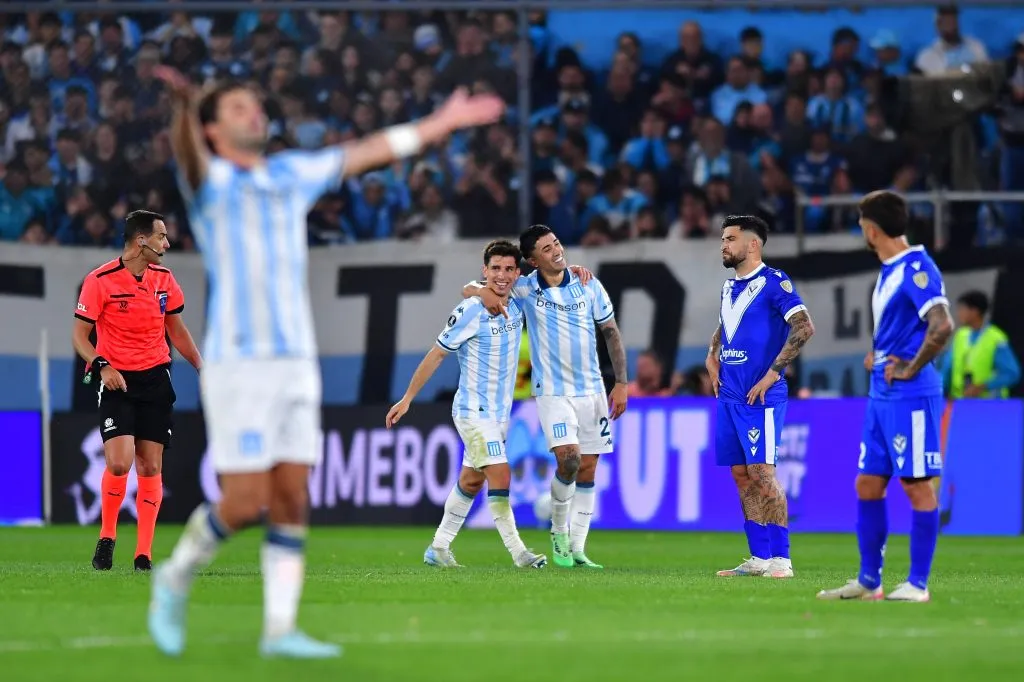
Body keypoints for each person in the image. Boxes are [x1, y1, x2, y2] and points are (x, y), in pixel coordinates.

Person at [148, 65, 504, 659]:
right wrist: (185, 109)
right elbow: (186, 154)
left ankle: (280, 629)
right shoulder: (210, 184)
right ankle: (176, 577)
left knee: (291, 498)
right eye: (236, 109)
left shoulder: (290, 173)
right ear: (212, 130)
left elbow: (367, 151)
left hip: (295, 364)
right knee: (242, 502)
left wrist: (440, 123)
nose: (253, 113)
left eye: (255, 104)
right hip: (240, 363)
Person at [466, 225, 629, 570]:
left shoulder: (587, 283)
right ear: (532, 260)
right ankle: (558, 529)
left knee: (588, 468)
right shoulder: (524, 289)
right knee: (569, 460)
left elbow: (611, 332)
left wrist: (622, 383)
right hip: (553, 393)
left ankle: (578, 547)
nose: (556, 250)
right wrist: (476, 290)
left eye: (556, 243)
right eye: (546, 248)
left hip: (593, 389)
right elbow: (475, 288)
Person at [818, 190, 954, 603]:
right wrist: (877, 355)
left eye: (861, 224)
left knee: (915, 485)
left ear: (872, 228)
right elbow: (905, 328)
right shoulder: (889, 268)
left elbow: (942, 325)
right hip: (882, 393)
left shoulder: (917, 268)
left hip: (909, 394)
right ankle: (868, 581)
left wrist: (911, 367)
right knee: (868, 483)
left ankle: (917, 584)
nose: (862, 231)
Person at [385, 239, 546, 570]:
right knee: (500, 473)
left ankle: (439, 548)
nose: (502, 276)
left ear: (518, 272)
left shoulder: (515, 300)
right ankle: (520, 554)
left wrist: (477, 289)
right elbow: (437, 353)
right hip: (473, 412)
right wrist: (408, 397)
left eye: (509, 269)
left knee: (472, 481)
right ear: (485, 270)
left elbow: (470, 287)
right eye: (495, 269)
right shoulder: (471, 311)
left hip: (499, 414)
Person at [72, 209, 202, 573]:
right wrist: (102, 365)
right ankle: (108, 535)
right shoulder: (100, 280)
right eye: (162, 236)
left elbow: (176, 330)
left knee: (150, 465)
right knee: (119, 461)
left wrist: (201, 366)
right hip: (117, 381)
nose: (167, 242)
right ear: (142, 240)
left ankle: (143, 553)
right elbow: (80, 337)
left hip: (156, 380)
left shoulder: (164, 279)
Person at [706, 215, 814, 580]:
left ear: (753, 245)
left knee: (762, 473)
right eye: (722, 238)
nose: (724, 245)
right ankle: (758, 557)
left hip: (760, 397)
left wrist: (773, 372)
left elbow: (804, 326)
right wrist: (712, 351)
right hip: (730, 394)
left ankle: (782, 559)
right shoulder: (728, 287)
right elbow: (728, 321)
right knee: (741, 474)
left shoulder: (774, 283)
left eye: (731, 239)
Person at [942, 290, 1021, 399]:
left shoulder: (995, 338)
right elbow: (947, 367)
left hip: (989, 405)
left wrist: (984, 386)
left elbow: (1012, 373)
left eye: (962, 309)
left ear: (974, 311)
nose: (958, 314)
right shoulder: (960, 335)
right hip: (960, 403)